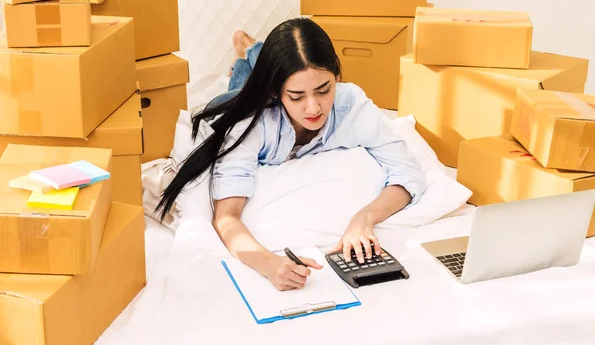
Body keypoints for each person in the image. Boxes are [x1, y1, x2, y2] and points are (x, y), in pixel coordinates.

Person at [156, 18, 426, 291]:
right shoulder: (249, 124)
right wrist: (268, 263)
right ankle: (247, 52)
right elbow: (226, 217)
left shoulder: (351, 104)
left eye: (324, 90)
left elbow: (407, 172)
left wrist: (364, 218)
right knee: (238, 86)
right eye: (296, 97)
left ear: (337, 76)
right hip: (232, 103)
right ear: (277, 92)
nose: (313, 108)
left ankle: (252, 49)